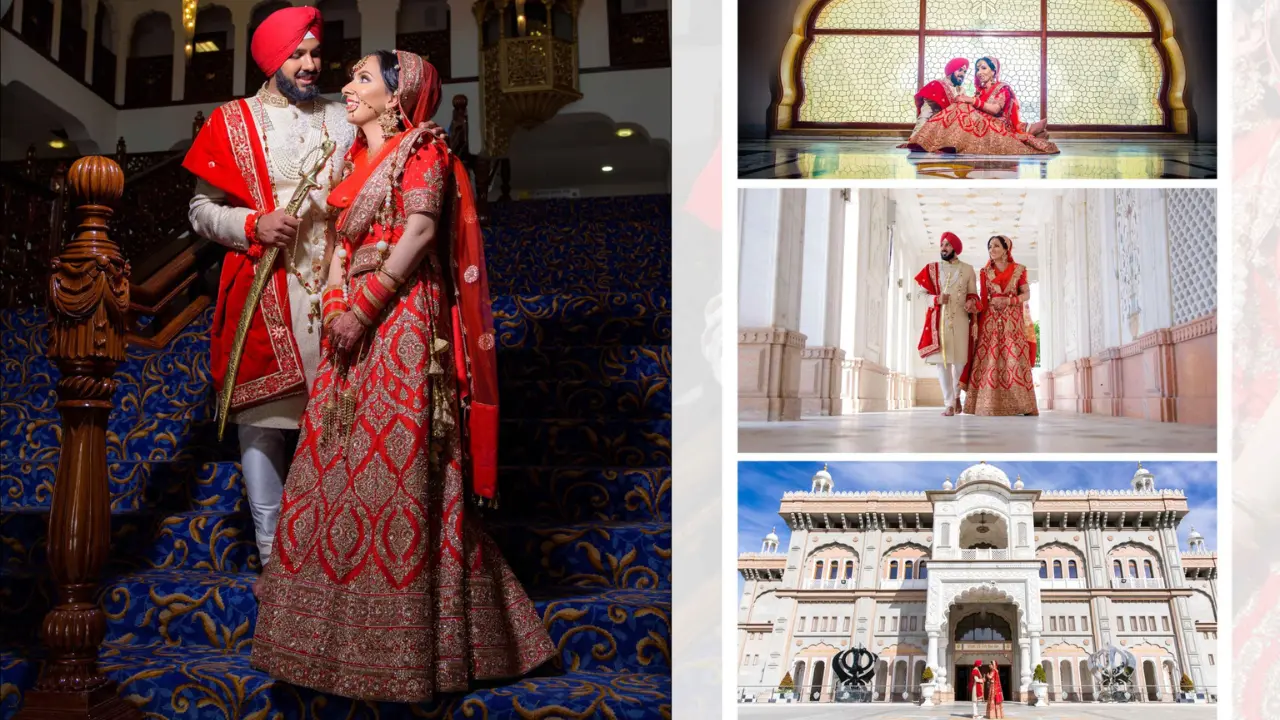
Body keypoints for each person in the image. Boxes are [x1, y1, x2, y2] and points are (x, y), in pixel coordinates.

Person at [249, 50, 557, 702]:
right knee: (331, 471)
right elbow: (336, 248)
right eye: (352, 75)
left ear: (398, 96)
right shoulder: (344, 164)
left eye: (362, 78)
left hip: (402, 324)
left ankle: (411, 651)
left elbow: (417, 234)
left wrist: (362, 308)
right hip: (347, 334)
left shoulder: (426, 151)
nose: (346, 86)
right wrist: (336, 307)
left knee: (397, 476)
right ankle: (321, 648)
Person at [182, 7, 444, 576]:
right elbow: (201, 211)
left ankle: (330, 559)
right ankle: (275, 558)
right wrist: (251, 224)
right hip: (265, 282)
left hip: (342, 282)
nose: (310, 66)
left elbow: (393, 147)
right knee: (264, 420)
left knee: (342, 416)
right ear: (271, 60)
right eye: (295, 56)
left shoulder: (342, 110)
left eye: (315, 55)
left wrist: (421, 132)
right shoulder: (234, 119)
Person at [901, 57, 1059, 155]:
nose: (977, 72)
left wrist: (970, 101)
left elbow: (996, 109)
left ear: (994, 71)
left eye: (983, 68)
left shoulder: (1002, 87)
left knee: (963, 107)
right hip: (978, 123)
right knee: (961, 107)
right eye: (977, 69)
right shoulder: (976, 91)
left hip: (996, 124)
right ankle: (1030, 131)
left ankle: (1028, 130)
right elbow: (925, 114)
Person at [962, 236, 1039, 417]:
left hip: (1012, 321)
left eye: (996, 246)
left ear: (1006, 249)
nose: (992, 249)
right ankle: (986, 405)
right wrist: (974, 307)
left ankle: (1022, 405)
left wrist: (1010, 300)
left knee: (1014, 358)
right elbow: (983, 298)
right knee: (990, 357)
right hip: (990, 321)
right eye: (989, 246)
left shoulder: (1019, 270)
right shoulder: (985, 271)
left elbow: (1026, 294)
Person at [914, 231, 979, 416]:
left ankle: (957, 396)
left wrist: (971, 302)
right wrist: (936, 298)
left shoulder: (967, 269)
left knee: (959, 362)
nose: (943, 247)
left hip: (960, 320)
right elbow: (921, 294)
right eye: (942, 244)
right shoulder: (931, 268)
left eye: (948, 245)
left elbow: (974, 294)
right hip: (939, 322)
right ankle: (949, 403)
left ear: (955, 249)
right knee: (942, 364)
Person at [912, 58, 972, 136]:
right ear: (951, 70)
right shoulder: (936, 86)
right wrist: (915, 138)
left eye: (965, 72)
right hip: (937, 132)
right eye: (960, 70)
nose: (962, 74)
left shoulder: (961, 90)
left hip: (955, 133)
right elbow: (925, 114)